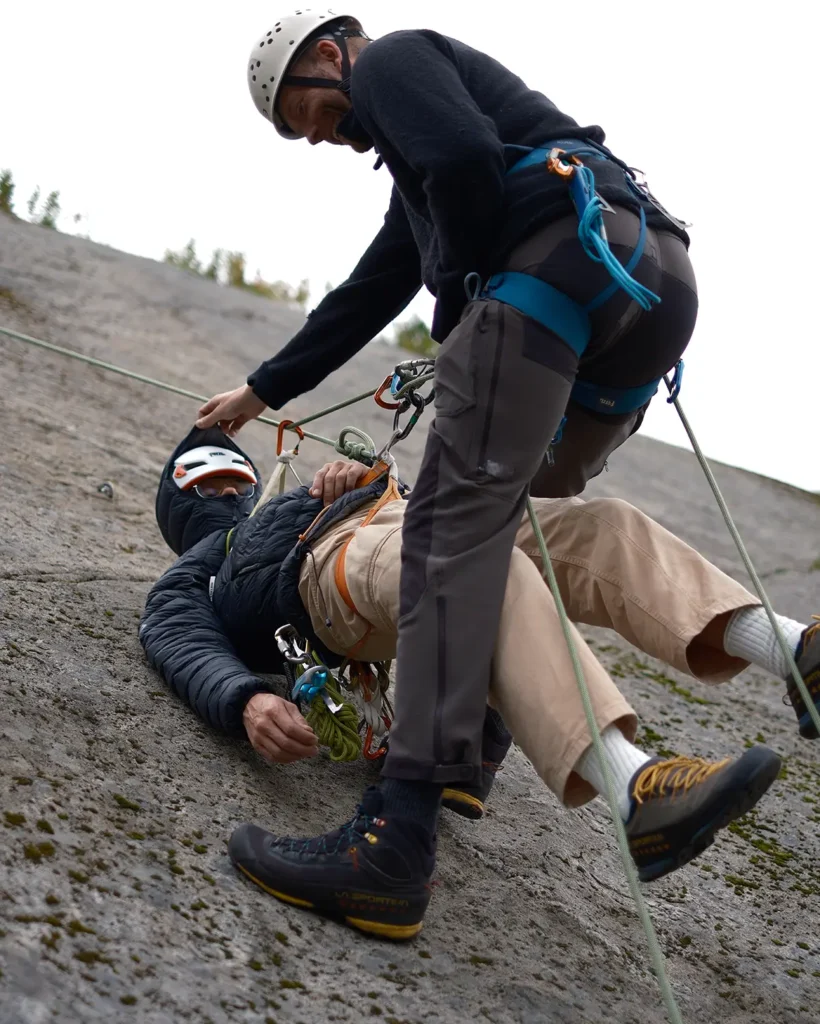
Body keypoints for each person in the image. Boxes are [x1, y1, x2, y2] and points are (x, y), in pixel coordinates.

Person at [192, 9, 707, 935]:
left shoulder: (389, 63)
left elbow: (466, 164)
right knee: (531, 529)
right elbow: (365, 293)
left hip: (549, 279)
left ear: (326, 55)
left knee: (454, 539)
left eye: (311, 117)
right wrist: (263, 392)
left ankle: (399, 837)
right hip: (647, 279)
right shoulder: (204, 559)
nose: (329, 142)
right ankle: (785, 650)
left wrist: (463, 312)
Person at [141, 425, 818, 938]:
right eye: (204, 486)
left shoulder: (301, 493)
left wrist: (371, 478)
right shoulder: (205, 561)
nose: (228, 491)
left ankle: (795, 652)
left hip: (407, 524)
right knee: (470, 567)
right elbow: (175, 631)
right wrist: (247, 698)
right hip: (331, 572)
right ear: (181, 510)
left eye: (234, 476)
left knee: (602, 527)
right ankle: (633, 788)